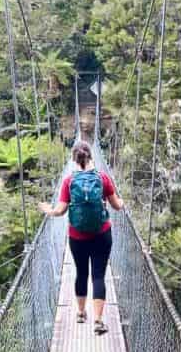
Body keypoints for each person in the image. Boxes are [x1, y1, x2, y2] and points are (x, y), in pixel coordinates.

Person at [39, 141, 125, 335]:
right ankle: (98, 320)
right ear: (92, 157)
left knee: (81, 273)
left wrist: (49, 211)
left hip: (77, 237)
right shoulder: (103, 178)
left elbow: (60, 211)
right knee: (98, 275)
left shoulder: (69, 181)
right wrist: (122, 201)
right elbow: (117, 205)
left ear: (73, 159)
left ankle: (80, 313)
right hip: (102, 234)